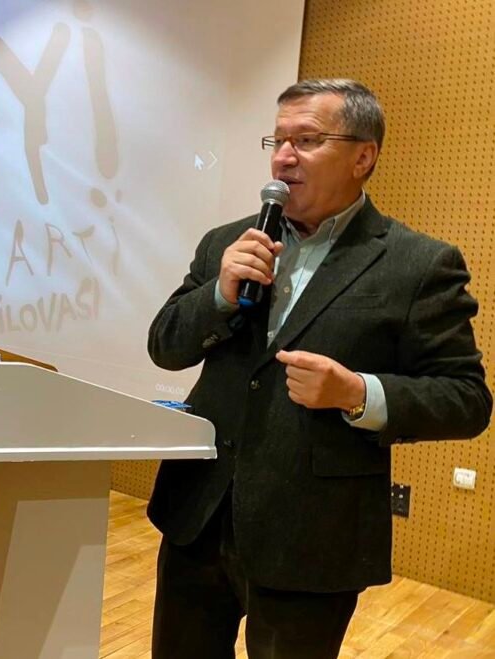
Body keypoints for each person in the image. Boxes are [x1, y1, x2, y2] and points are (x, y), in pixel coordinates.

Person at [147, 79, 492, 659]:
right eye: (277, 140)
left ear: (363, 157)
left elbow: (466, 399)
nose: (283, 157)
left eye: (306, 140)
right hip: (197, 517)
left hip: (312, 537)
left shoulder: (418, 264)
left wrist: (358, 393)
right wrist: (219, 296)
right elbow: (165, 346)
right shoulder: (228, 243)